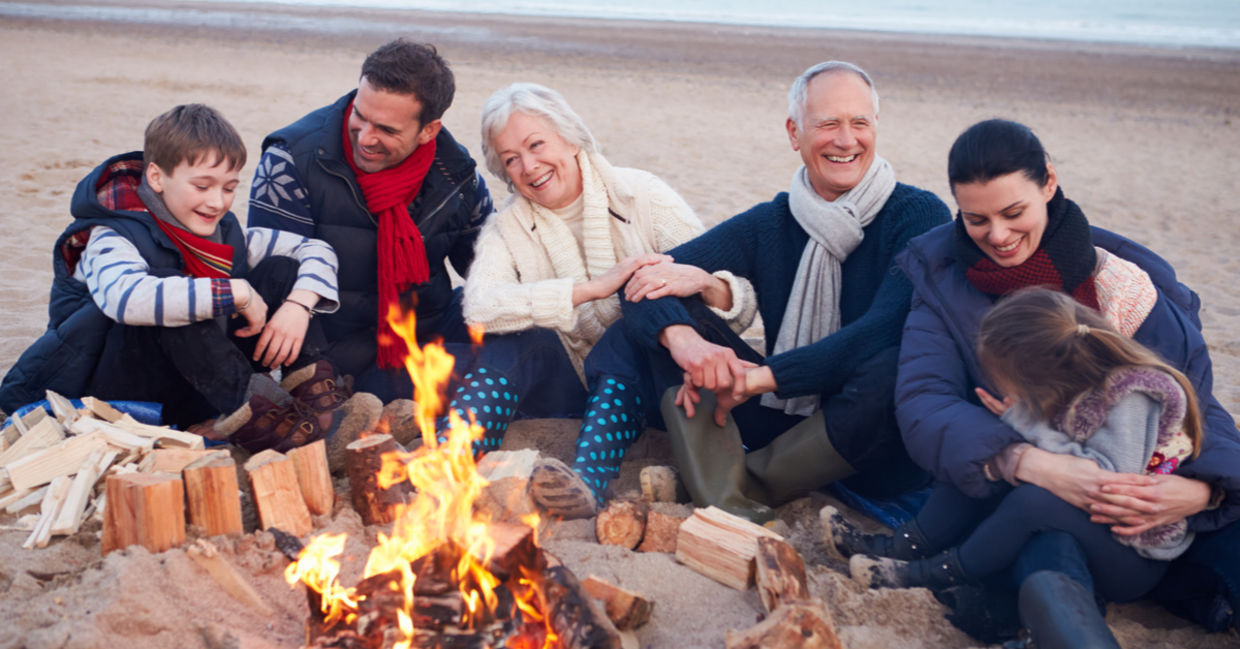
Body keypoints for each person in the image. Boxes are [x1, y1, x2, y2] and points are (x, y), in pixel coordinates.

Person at [893, 119, 1240, 646]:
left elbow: (1196, 405)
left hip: (1146, 504)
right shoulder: (941, 280)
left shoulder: (1124, 285)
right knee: (1043, 536)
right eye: (976, 219)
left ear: (1049, 183)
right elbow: (925, 403)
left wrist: (1202, 490)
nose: (999, 236)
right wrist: (1022, 459)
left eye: (1014, 213)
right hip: (1017, 496)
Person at [570, 60, 952, 522]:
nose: (846, 140)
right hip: (782, 420)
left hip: (873, 443)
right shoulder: (772, 222)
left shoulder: (919, 215)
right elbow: (641, 282)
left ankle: (732, 485)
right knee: (648, 324)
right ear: (795, 133)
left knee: (891, 363)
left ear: (876, 128)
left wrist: (756, 380)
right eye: (828, 123)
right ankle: (596, 477)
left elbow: (881, 331)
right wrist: (689, 343)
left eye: (859, 123)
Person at [437, 83, 755, 518]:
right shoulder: (506, 226)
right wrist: (593, 288)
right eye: (511, 159)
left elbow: (738, 304)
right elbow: (479, 308)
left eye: (536, 145)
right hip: (566, 388)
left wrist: (705, 282)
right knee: (514, 339)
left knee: (631, 319)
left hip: (652, 385)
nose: (529, 166)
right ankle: (448, 459)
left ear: (570, 137)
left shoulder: (642, 194)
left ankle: (588, 481)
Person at [0, 104, 347, 453]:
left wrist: (297, 306)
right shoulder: (111, 235)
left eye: (229, 188)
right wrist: (236, 292)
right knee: (174, 291)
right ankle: (262, 419)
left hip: (198, 384)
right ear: (156, 178)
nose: (217, 202)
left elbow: (316, 251)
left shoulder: (225, 233)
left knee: (282, 271)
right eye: (202, 186)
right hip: (115, 390)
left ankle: (316, 409)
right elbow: (126, 299)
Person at [838, 288, 1201, 602]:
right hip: (1095, 522)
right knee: (983, 452)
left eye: (1012, 384)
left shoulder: (1131, 398)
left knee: (1034, 501)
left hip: (1134, 554)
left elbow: (1104, 484)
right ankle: (907, 544)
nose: (1008, 392)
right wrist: (1014, 436)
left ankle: (937, 574)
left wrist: (1025, 422)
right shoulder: (1079, 384)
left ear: (1046, 380)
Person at [248, 39, 493, 403]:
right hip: (333, 361)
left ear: (429, 130)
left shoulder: (456, 174)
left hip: (425, 337)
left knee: (530, 343)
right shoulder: (290, 161)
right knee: (490, 378)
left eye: (387, 130)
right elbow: (272, 278)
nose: (366, 137)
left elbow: (491, 270)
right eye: (359, 115)